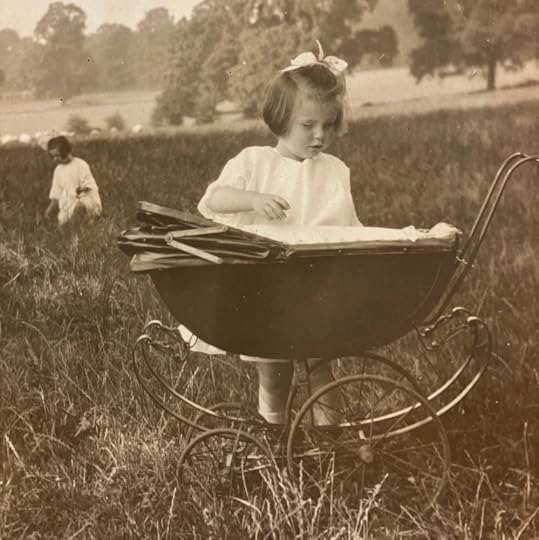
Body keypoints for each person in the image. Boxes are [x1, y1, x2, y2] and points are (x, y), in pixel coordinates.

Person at [196, 42, 361, 425]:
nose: (319, 136)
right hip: (266, 292)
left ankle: (329, 440)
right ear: (281, 119)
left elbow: (348, 227)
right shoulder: (255, 162)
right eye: (308, 126)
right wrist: (251, 199)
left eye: (328, 125)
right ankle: (274, 429)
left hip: (317, 288)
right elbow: (214, 199)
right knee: (274, 371)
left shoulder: (333, 171)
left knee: (322, 367)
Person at [45, 136, 102, 226]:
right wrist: (49, 211)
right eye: (52, 157)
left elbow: (89, 185)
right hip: (69, 202)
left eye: (57, 155)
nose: (55, 159)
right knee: (64, 217)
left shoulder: (80, 164)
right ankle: (69, 226)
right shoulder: (58, 170)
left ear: (65, 152)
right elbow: (56, 194)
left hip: (86, 200)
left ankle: (78, 224)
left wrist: (82, 189)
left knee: (79, 207)